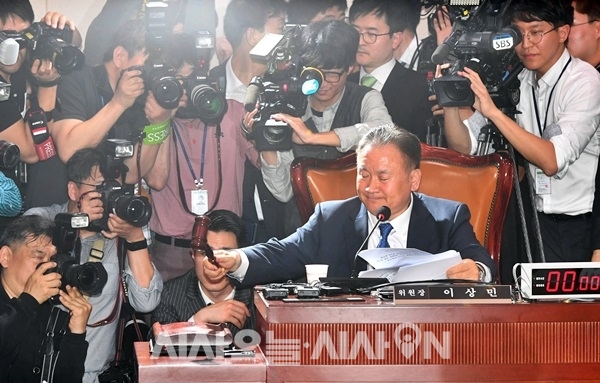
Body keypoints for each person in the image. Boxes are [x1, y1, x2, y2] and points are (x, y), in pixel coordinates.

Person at [203, 125, 495, 286]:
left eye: (383, 177)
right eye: (363, 174)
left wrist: (476, 272)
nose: (370, 187)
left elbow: (479, 262)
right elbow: (283, 251)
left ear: (413, 179)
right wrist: (236, 258)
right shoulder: (332, 218)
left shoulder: (447, 216)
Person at [442, 0, 600, 263]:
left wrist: (493, 112)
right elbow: (465, 146)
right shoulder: (519, 80)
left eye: (536, 32)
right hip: (534, 220)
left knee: (572, 303)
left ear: (562, 33)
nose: (526, 44)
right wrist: (449, 100)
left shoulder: (585, 82)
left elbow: (552, 161)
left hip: (579, 224)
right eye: (518, 33)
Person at [25, 148, 163, 383]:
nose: (108, 197)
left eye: (115, 191)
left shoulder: (119, 238)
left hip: (94, 374)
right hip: (38, 370)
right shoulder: (45, 219)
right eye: (100, 189)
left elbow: (147, 301)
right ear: (73, 190)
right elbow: (19, 269)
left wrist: (135, 238)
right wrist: (75, 223)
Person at [245, 20, 392, 234]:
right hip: (304, 234)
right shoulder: (290, 104)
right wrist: (265, 139)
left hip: (357, 230)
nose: (322, 83)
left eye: (332, 74)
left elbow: (385, 132)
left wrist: (313, 137)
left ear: (351, 67)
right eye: (314, 73)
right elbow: (282, 192)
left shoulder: (365, 98)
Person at [148, 33, 259, 282]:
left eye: (192, 80)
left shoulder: (232, 112)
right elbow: (156, 179)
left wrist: (265, 127)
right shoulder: (152, 119)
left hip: (225, 251)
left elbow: (265, 163)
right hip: (170, 253)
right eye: (178, 83)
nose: (186, 90)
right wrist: (164, 116)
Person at [50, 18, 172, 198]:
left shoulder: (143, 98)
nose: (151, 72)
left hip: (109, 211)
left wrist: (159, 124)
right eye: (148, 63)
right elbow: (69, 150)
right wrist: (119, 103)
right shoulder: (77, 77)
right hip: (62, 207)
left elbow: (131, 173)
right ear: (120, 56)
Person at [211, 0, 288, 246]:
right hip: (222, 229)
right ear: (253, 35)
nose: (286, 38)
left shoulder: (288, 87)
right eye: (280, 28)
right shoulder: (205, 90)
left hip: (280, 226)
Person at [0, 0, 82, 208]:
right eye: (7, 37)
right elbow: (29, 151)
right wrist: (48, 84)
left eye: (23, 35)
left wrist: (59, 29)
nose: (17, 46)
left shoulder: (18, 69)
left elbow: (76, 42)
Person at [0, 215, 92, 383]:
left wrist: (76, 335)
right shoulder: (30, 304)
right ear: (5, 256)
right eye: (38, 256)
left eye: (52, 259)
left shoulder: (52, 314)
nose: (49, 266)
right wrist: (29, 301)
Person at [152, 209, 255, 339]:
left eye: (226, 254)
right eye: (206, 253)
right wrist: (197, 321)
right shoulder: (170, 295)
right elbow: (158, 350)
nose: (214, 263)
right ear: (193, 255)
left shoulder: (257, 294)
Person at [348, 0, 432, 142]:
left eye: (371, 34)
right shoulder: (342, 81)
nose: (360, 42)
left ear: (395, 39)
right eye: (355, 32)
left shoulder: (420, 88)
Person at [84, 0, 217, 67]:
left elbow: (202, 53)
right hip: (116, 77)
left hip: (169, 79)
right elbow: (97, 46)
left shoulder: (199, 8)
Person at [567, 0, 600, 261]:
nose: (565, 33)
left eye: (573, 24)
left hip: (589, 220)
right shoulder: (564, 80)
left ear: (597, 28)